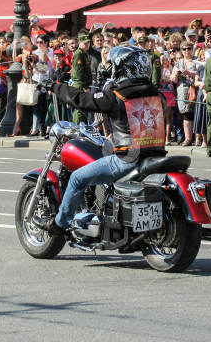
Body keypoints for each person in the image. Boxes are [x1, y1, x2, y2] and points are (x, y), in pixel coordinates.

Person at [34, 45, 167, 236]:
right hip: (155, 158)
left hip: (127, 161)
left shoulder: (116, 97)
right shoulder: (157, 95)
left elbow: (80, 98)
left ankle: (59, 225)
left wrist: (55, 86)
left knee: (77, 177)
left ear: (120, 68)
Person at [70, 34, 92, 124]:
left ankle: (78, 127)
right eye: (85, 43)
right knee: (80, 109)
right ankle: (77, 128)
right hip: (80, 84)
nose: (87, 45)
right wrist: (85, 86)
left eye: (88, 43)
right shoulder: (79, 54)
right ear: (79, 43)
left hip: (81, 83)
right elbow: (79, 73)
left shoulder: (83, 53)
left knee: (81, 109)